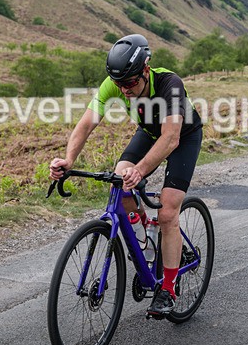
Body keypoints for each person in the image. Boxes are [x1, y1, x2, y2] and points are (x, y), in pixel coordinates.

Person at [49, 34, 203, 318]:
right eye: (120, 84)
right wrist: (68, 159)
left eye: (131, 83)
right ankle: (147, 234)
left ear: (146, 70)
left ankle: (167, 288)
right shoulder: (116, 84)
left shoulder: (170, 84)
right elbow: (86, 124)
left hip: (183, 137)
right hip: (148, 132)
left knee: (168, 211)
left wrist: (141, 170)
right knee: (121, 182)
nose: (125, 90)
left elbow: (170, 139)